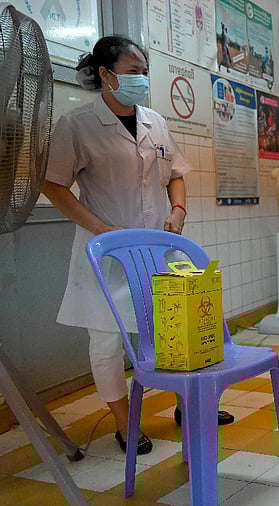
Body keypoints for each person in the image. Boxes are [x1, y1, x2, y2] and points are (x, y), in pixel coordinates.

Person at [41, 36, 234, 456]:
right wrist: (101, 230)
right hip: (106, 253)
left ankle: (188, 403)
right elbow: (52, 183)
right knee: (108, 342)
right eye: (133, 73)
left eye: (144, 72)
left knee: (175, 330)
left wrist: (178, 208)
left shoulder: (155, 121)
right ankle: (125, 423)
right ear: (105, 75)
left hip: (158, 249)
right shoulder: (77, 125)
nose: (141, 80)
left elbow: (175, 171)